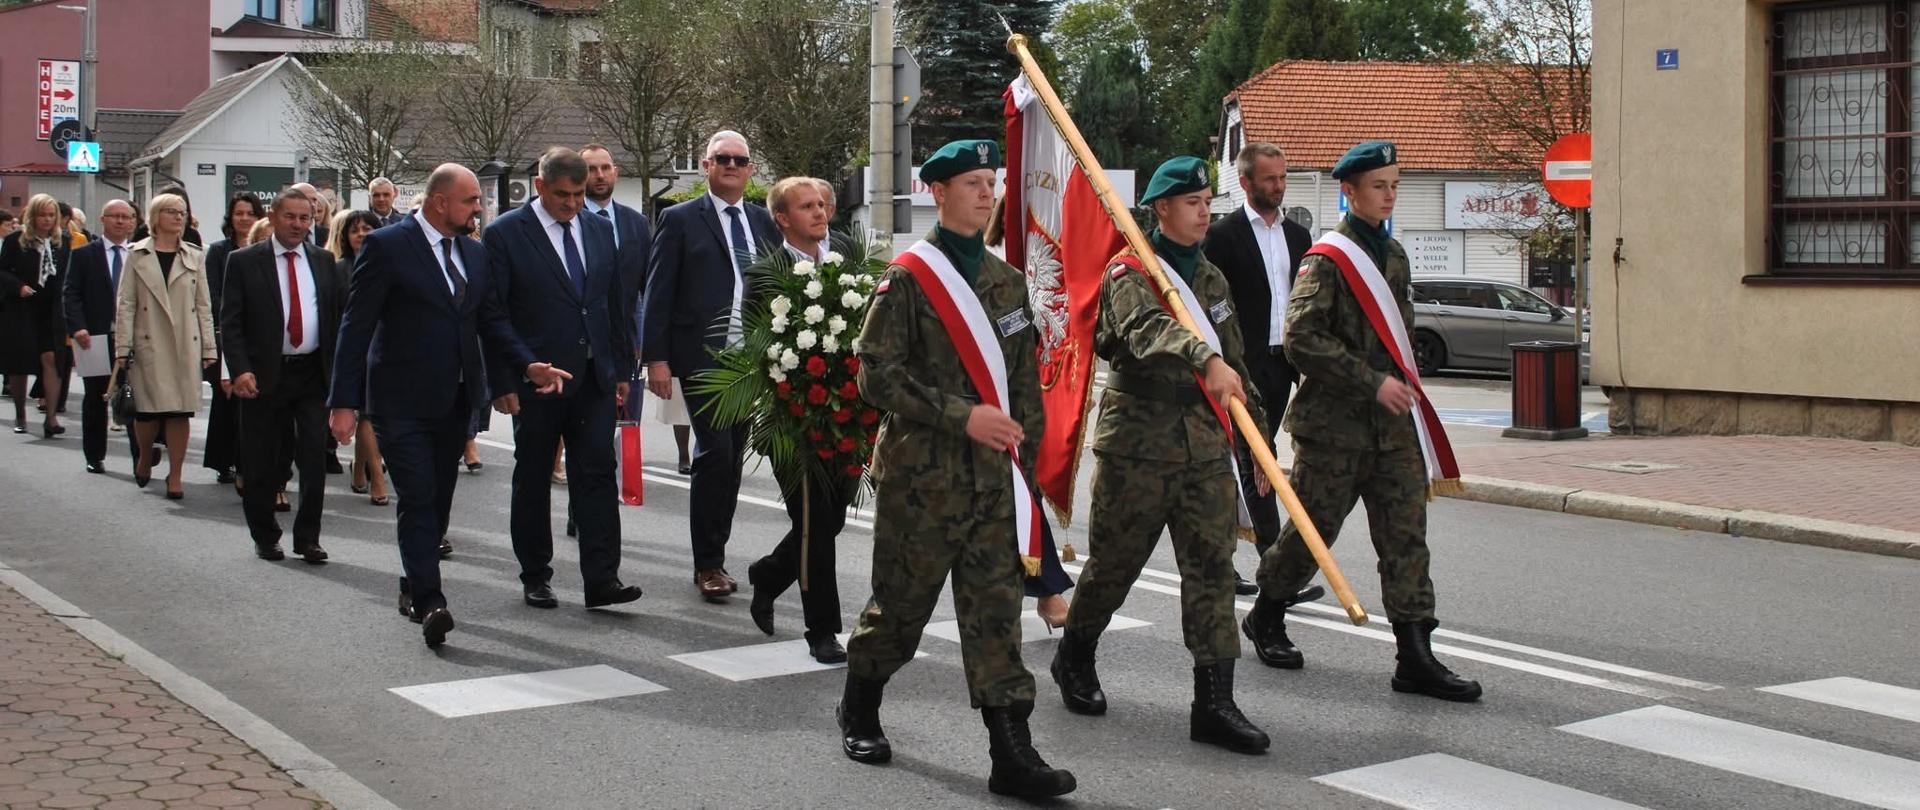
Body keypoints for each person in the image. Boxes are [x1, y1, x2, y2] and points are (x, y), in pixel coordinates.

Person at [838, 140, 1074, 799]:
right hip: (922, 480)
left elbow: (1023, 386)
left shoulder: (1008, 282)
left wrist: (1027, 466)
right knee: (901, 608)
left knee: (996, 616)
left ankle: (1011, 753)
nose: (986, 193)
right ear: (937, 193)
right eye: (972, 183)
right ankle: (859, 706)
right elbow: (875, 376)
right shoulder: (910, 278)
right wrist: (960, 415)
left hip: (994, 482)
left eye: (990, 182)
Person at [1242, 140, 1482, 702]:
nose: (1389, 195)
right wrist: (1370, 380)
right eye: (1379, 186)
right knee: (1312, 533)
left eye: (1394, 185)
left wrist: (1396, 385)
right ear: (1349, 192)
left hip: (1391, 432)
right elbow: (1301, 339)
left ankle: (1414, 654)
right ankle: (1267, 613)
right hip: (1335, 430)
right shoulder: (1328, 259)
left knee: (1406, 537)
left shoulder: (1393, 256)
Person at [1050, 156, 1270, 754]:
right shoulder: (1131, 270)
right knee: (1114, 566)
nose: (1204, 212)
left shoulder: (1212, 278)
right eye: (1192, 203)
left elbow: (1235, 361)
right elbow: (1147, 331)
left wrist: (1257, 440)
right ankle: (1075, 655)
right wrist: (1205, 359)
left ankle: (1214, 702)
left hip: (1205, 446)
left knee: (1212, 571)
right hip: (1138, 447)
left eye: (1208, 202)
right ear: (1162, 209)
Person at [328, 163, 568, 648]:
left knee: (437, 499)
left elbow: (493, 321)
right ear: (440, 202)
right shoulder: (387, 246)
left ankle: (412, 582)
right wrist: (343, 401)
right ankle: (431, 600)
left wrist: (528, 366)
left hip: (455, 399)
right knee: (417, 496)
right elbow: (356, 326)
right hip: (399, 399)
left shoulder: (473, 254)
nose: (478, 209)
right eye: (470, 200)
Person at [484, 147, 641, 611]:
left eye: (578, 194)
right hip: (537, 380)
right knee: (533, 476)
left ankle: (602, 579)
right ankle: (536, 574)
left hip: (593, 377)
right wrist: (507, 379)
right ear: (539, 186)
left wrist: (619, 369)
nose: (572, 203)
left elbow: (613, 303)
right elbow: (493, 315)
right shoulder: (505, 234)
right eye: (561, 195)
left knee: (597, 475)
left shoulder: (598, 228)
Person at [642, 130, 778, 602]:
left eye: (740, 159)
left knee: (732, 458)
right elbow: (658, 290)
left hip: (750, 361)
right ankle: (707, 563)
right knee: (715, 454)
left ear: (750, 169)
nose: (732, 166)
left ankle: (716, 552)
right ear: (706, 165)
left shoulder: (763, 221)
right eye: (723, 158)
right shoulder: (680, 219)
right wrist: (656, 359)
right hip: (703, 359)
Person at [746, 177, 852, 664]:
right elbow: (756, 346)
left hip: (844, 415)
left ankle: (769, 574)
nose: (819, 212)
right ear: (783, 219)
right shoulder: (766, 273)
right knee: (813, 522)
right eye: (806, 206)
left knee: (831, 520)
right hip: (791, 421)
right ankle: (822, 630)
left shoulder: (845, 258)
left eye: (821, 204)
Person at [1205, 142, 1316, 596]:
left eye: (1283, 177)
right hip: (1238, 366)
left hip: (1280, 365)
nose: (1279, 186)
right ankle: (1273, 569)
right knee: (1256, 460)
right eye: (1270, 178)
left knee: (1249, 462)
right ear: (1245, 182)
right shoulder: (1223, 236)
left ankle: (1228, 564)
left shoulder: (1299, 237)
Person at [222, 191, 344, 563]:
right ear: (273, 216)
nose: (297, 225)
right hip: (263, 374)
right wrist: (239, 369)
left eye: (305, 218)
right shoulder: (244, 262)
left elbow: (335, 319)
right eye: (290, 216)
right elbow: (231, 322)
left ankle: (308, 538)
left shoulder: (323, 261)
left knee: (313, 458)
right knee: (262, 459)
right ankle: (265, 535)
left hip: (311, 374)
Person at [114, 193, 216, 498]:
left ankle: (176, 474)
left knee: (179, 412)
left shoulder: (195, 255)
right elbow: (126, 303)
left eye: (182, 212)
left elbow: (204, 306)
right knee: (147, 411)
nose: (178, 217)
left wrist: (209, 348)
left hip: (185, 342)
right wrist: (122, 347)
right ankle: (145, 454)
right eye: (171, 211)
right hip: (148, 341)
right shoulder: (137, 255)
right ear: (156, 216)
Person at [63, 200, 142, 473]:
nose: (120, 221)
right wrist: (78, 327)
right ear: (103, 219)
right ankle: (94, 455)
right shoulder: (84, 254)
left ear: (133, 222)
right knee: (96, 396)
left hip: (132, 338)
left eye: (126, 217)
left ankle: (140, 458)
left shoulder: (140, 254)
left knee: (134, 397)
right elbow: (71, 293)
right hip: (94, 337)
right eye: (115, 216)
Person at [326, 209, 390, 505]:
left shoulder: (389, 266)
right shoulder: (338, 269)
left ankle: (358, 469)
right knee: (366, 414)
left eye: (367, 229)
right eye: (355, 230)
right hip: (353, 351)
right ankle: (377, 478)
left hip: (383, 349)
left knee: (370, 415)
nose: (362, 234)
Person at [203, 193, 266, 485]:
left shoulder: (265, 249)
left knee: (252, 401)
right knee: (225, 399)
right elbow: (214, 292)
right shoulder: (219, 251)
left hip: (260, 333)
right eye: (239, 213)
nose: (244, 218)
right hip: (227, 332)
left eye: (250, 213)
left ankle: (246, 462)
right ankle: (223, 460)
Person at [0, 194, 73, 438]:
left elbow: (66, 275)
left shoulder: (62, 241)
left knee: (52, 359)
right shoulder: (15, 240)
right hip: (22, 307)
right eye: (42, 215)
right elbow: (2, 271)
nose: (47, 220)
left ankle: (51, 417)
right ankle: (20, 415)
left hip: (51, 310)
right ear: (32, 216)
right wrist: (18, 286)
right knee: (20, 363)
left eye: (51, 215)